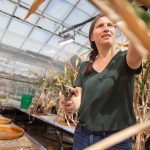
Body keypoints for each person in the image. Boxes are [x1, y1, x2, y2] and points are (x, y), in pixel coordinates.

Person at [60, 15, 142, 150]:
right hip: (83, 136)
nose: (106, 28)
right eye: (100, 26)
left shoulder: (125, 58)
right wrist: (70, 104)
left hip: (116, 141)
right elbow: (77, 100)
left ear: (115, 32)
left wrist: (138, 11)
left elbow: (137, 42)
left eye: (110, 25)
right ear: (92, 37)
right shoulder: (84, 66)